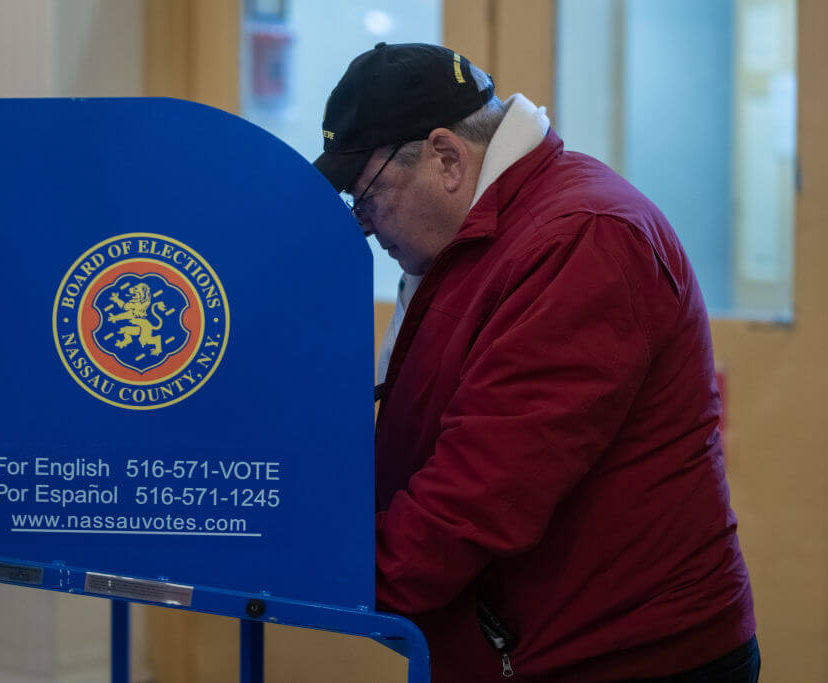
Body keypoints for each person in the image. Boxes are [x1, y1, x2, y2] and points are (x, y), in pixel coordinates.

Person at [314, 43, 758, 682]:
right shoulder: (484, 235)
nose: (361, 224)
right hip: (539, 645)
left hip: (625, 659)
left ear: (446, 158)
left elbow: (483, 492)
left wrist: (330, 575)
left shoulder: (583, 238)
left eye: (368, 195)